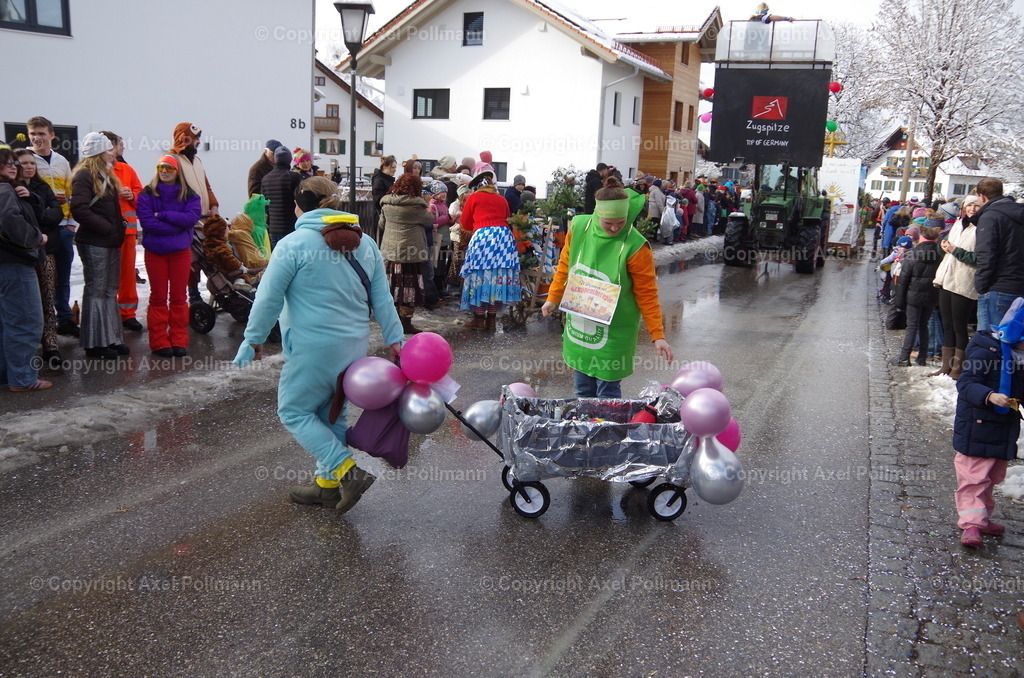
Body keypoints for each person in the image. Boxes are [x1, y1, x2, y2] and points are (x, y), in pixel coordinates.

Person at [233, 176, 403, 515]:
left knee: (294, 411)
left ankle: (345, 471)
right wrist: (394, 338)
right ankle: (325, 488)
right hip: (353, 348)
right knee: (332, 415)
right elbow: (381, 297)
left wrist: (252, 339)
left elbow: (268, 298)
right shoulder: (365, 243)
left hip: (312, 347)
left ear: (301, 205)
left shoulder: (293, 244)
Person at [542, 177, 673, 397]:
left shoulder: (636, 247)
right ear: (596, 215)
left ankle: (607, 431)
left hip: (615, 329)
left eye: (620, 223)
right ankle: (585, 428)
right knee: (582, 389)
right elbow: (565, 264)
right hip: (581, 322)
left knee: (607, 392)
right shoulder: (580, 227)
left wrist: (657, 334)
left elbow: (647, 294)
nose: (614, 228)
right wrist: (552, 298)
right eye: (607, 223)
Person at [952, 298, 1024, 547]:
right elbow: (966, 383)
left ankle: (982, 517)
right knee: (973, 478)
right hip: (977, 425)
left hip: (1002, 428)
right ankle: (971, 525)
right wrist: (990, 395)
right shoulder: (987, 350)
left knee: (990, 478)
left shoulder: (1017, 356)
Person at [136, 155, 201, 358]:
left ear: (177, 171)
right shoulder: (147, 193)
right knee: (158, 297)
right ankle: (159, 341)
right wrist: (177, 225)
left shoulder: (189, 195)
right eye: (161, 167)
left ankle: (179, 339)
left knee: (179, 297)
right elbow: (147, 223)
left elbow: (191, 218)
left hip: (180, 253)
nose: (164, 171)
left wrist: (163, 215)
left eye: (169, 168)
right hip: (156, 253)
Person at [69, 132, 128, 360]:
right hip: (95, 241)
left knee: (108, 290)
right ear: (98, 152)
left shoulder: (105, 174)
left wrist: (115, 228)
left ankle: (111, 337)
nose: (112, 152)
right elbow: (80, 209)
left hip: (108, 240)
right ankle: (95, 343)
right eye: (108, 149)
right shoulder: (84, 175)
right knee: (96, 291)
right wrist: (107, 227)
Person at [0, 146, 50, 391]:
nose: (13, 166)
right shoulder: (4, 190)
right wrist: (36, 238)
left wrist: (31, 198)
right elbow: (10, 221)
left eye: (13, 162)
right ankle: (22, 378)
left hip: (8, 263)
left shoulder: (14, 190)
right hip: (15, 262)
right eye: (5, 163)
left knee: (7, 322)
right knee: (26, 322)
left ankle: (9, 374)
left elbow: (34, 213)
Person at [14, 148, 63, 370]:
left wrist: (40, 207)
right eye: (24, 163)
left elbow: (56, 214)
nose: (29, 167)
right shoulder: (10, 189)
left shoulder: (42, 187)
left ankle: (51, 345)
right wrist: (43, 213)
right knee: (25, 304)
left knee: (47, 299)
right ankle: (26, 349)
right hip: (21, 255)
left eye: (32, 163)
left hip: (46, 251)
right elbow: (25, 220)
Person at [28, 116, 77, 337]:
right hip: (40, 229)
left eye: (41, 133)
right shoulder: (26, 160)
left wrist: (71, 224)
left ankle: (65, 318)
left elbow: (70, 193)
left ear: (51, 135)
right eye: (33, 134)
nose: (37, 138)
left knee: (63, 276)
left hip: (63, 227)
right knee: (41, 278)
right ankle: (42, 323)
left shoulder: (62, 161)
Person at [459, 169, 520, 330]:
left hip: (483, 238)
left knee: (479, 277)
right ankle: (491, 321)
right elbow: (508, 218)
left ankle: (479, 319)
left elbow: (464, 223)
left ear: (477, 187)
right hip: (504, 239)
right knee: (497, 277)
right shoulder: (502, 199)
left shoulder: (474, 198)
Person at [100, 131, 145, 333]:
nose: (122, 148)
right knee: (103, 275)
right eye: (119, 145)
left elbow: (142, 197)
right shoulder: (93, 171)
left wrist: (132, 195)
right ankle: (105, 315)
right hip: (102, 231)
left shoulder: (126, 170)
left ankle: (128, 314)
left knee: (127, 274)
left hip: (126, 231)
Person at [933, 197, 980, 379]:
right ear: (963, 207)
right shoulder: (958, 224)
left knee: (959, 326)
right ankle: (945, 366)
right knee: (947, 325)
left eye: (976, 205)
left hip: (964, 280)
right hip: (946, 278)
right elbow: (943, 248)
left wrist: (955, 251)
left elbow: (978, 258)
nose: (972, 208)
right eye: (969, 205)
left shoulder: (981, 228)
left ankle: (957, 369)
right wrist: (942, 246)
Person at [379, 173, 432, 334]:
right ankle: (406, 323)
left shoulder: (386, 204)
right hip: (410, 254)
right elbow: (429, 220)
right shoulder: (417, 207)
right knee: (409, 289)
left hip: (390, 253)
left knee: (391, 287)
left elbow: (381, 224)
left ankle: (392, 322)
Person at [972, 178, 1024, 334]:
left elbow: (986, 255)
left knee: (990, 343)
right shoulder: (1017, 214)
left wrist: (980, 286)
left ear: (981, 196)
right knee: (1012, 342)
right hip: (1018, 284)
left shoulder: (990, 217)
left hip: (998, 287)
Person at [891, 226, 942, 366]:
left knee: (912, 326)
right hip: (932, 296)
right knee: (923, 325)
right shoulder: (940, 255)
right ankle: (922, 357)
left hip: (913, 296)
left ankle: (904, 358)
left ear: (920, 238)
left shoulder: (912, 255)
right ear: (936, 239)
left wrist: (899, 303)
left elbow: (903, 282)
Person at [261, 146, 301, 248]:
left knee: (278, 258)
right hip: (291, 226)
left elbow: (264, 205)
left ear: (275, 159)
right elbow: (300, 201)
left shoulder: (266, 178)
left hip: (273, 227)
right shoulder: (294, 177)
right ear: (290, 160)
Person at [227, 213, 269, 278]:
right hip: (259, 262)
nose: (230, 227)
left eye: (232, 224)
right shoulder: (245, 234)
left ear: (239, 223)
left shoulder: (239, 234)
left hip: (255, 264)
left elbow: (222, 233)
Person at [371, 155, 397, 227]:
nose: (395, 169)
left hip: (385, 215)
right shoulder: (379, 180)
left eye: (395, 167)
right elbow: (378, 200)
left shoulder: (387, 179)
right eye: (392, 167)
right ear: (385, 167)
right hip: (381, 216)